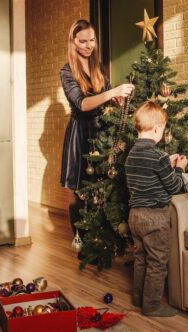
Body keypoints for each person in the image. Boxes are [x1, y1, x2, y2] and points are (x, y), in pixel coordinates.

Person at [60, 19, 134, 234]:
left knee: (102, 186)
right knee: (80, 192)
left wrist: (116, 99)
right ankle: (80, 241)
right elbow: (82, 104)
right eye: (83, 41)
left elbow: (106, 97)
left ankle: (101, 239)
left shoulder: (97, 68)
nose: (88, 45)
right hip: (81, 135)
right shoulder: (67, 72)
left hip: (101, 131)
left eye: (92, 40)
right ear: (73, 42)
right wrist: (111, 93)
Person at [124, 101, 188, 317]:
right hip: (155, 217)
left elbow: (147, 176)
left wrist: (165, 165)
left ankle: (138, 298)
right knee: (158, 262)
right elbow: (174, 186)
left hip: (135, 216)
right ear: (157, 128)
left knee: (141, 257)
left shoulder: (131, 155)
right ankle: (151, 305)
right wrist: (178, 169)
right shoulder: (158, 156)